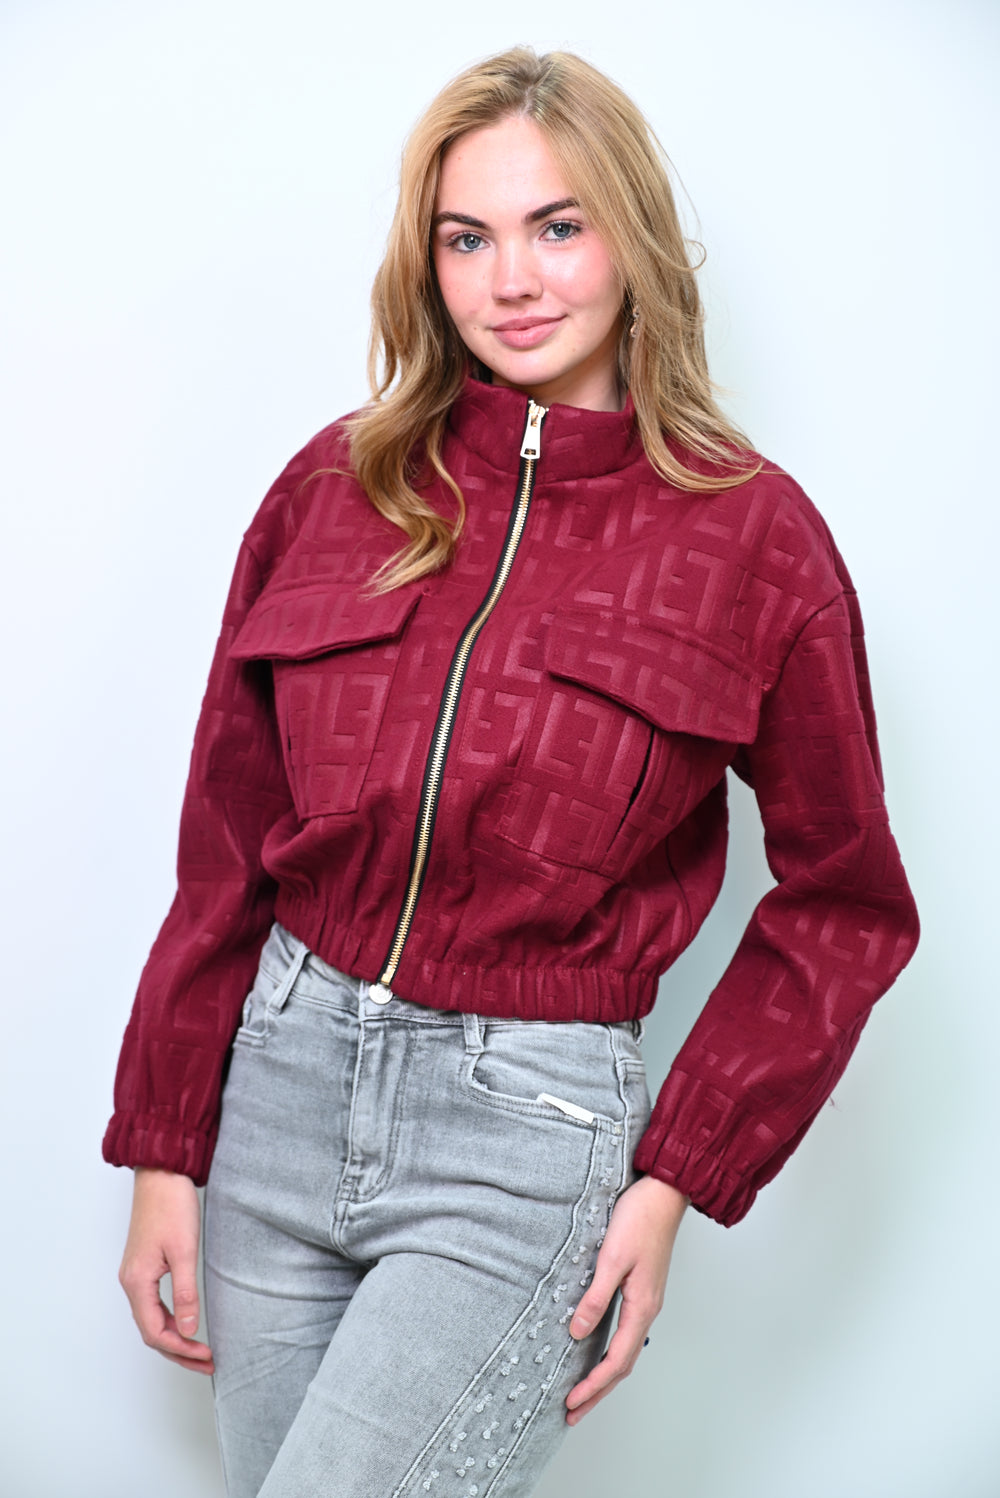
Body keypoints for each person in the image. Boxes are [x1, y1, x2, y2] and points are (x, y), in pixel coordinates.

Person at [105, 45, 919, 1498]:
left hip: (522, 1137)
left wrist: (678, 1175)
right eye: (466, 238)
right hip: (273, 1101)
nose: (513, 281)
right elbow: (227, 835)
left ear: (632, 236)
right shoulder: (338, 484)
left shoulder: (754, 539)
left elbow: (847, 902)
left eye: (557, 226)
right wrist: (165, 1138)